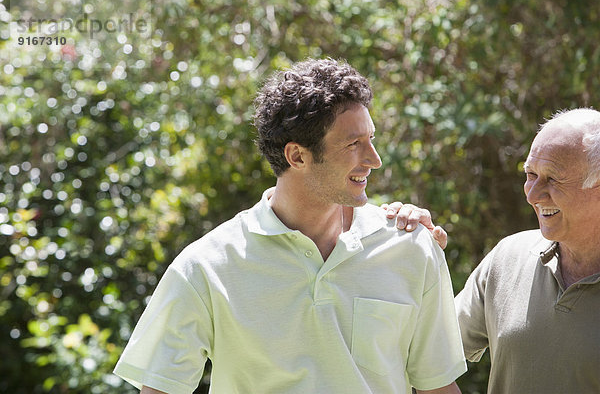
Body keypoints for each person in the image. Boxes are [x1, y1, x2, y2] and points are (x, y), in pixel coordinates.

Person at [113, 58, 466, 394]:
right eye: (354, 144)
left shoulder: (411, 247)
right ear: (297, 156)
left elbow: (438, 385)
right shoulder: (206, 267)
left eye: (371, 139)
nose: (374, 159)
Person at [388, 108, 600, 393]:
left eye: (552, 179)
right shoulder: (509, 257)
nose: (533, 194)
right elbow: (421, 349)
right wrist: (404, 251)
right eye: (531, 174)